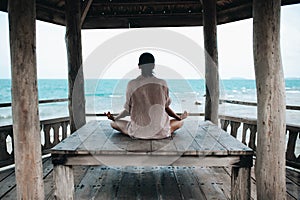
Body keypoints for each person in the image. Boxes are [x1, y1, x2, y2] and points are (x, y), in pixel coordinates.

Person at [105, 52, 188, 139]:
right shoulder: (162, 83)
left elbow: (128, 110)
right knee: (180, 122)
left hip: (138, 132)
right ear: (153, 66)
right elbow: (166, 108)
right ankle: (165, 128)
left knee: (113, 124)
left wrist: (115, 118)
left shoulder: (132, 84)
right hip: (160, 133)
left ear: (139, 66)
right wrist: (179, 117)